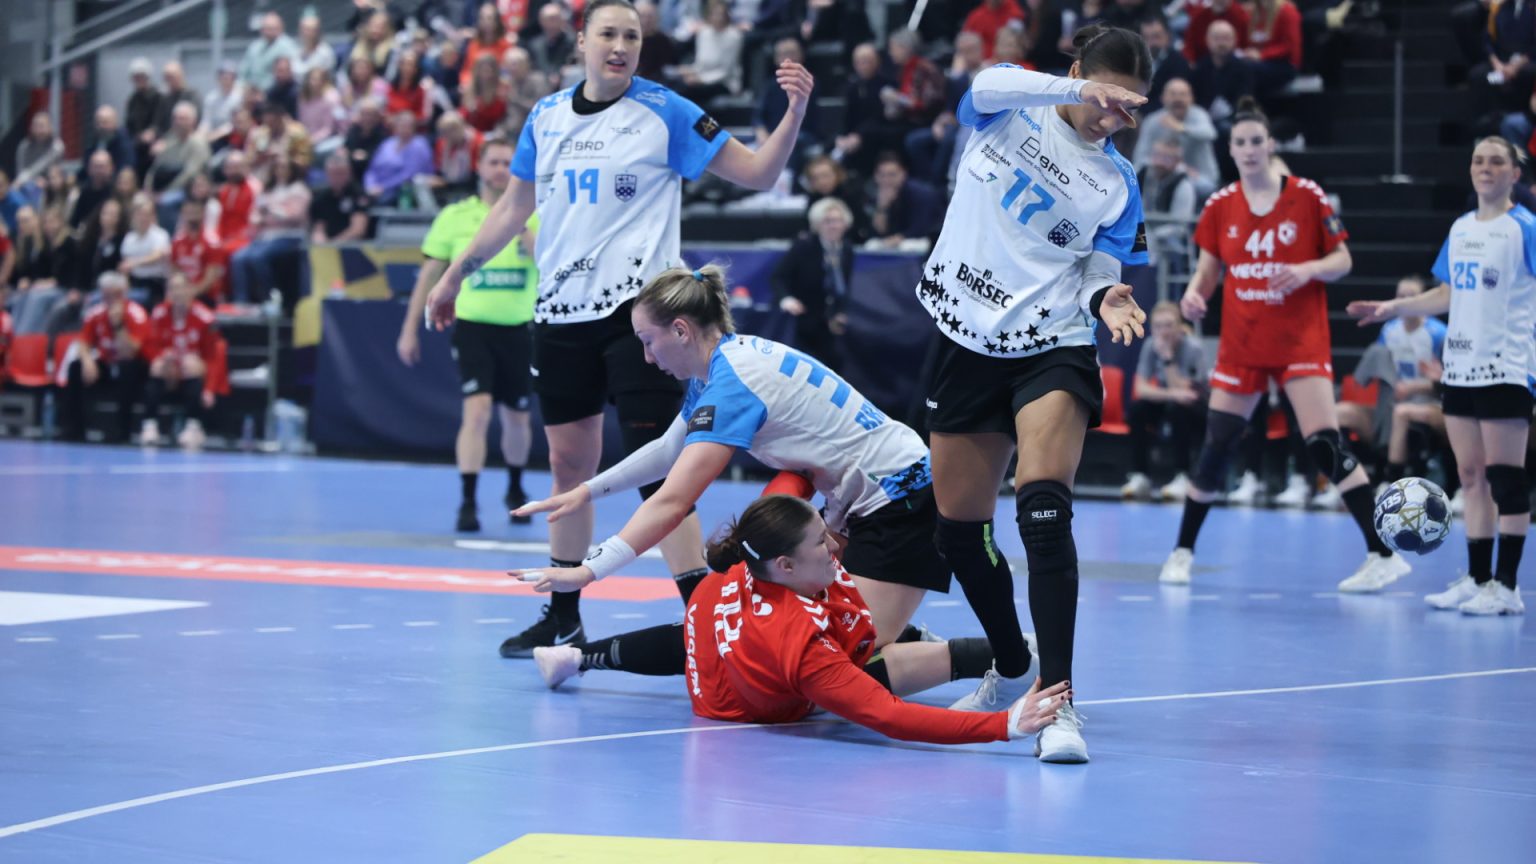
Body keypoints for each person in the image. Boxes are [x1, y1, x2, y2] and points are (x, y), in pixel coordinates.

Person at [423, 0, 816, 656]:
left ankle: (704, 622)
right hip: (560, 311)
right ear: (581, 42)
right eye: (607, 33)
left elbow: (760, 173)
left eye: (631, 36)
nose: (620, 45)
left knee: (659, 471)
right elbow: (514, 207)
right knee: (568, 464)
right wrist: (454, 275)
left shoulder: (667, 111)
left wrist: (795, 112)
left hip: (642, 317)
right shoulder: (546, 117)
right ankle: (563, 616)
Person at [517, 267, 1037, 693]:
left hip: (899, 500)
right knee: (778, 632)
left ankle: (1007, 660)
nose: (647, 358)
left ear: (680, 330)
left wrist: (590, 570)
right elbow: (667, 451)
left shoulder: (734, 384)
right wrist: (585, 491)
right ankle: (918, 634)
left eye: (648, 342)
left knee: (833, 666)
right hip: (862, 501)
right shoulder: (726, 361)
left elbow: (673, 500)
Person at [912, 24, 1153, 764]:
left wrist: (1105, 295)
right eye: (1109, 99)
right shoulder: (1010, 108)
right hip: (965, 338)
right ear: (1077, 74)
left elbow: (1099, 266)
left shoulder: (1117, 183)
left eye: (1131, 108)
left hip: (1052, 343)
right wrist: (1071, 90)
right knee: (959, 532)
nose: (1116, 118)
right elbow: (981, 84)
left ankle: (1058, 703)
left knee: (1044, 514)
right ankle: (1013, 664)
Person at [543, 488, 1072, 748]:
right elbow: (887, 715)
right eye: (821, 541)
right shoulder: (800, 645)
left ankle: (576, 657)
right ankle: (994, 658)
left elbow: (781, 500)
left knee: (691, 635)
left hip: (723, 638)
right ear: (786, 564)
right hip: (745, 700)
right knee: (884, 663)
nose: (835, 547)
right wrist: (1003, 725)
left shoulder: (750, 564)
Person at [1161, 97, 1410, 591]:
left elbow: (1343, 261)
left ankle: (1383, 554)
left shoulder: (1306, 196)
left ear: (1270, 145)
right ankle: (1182, 552)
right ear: (1231, 149)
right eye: (1241, 142)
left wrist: (1306, 270)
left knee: (1324, 445)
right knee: (1217, 444)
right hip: (1243, 343)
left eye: (1258, 141)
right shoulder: (1220, 205)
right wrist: (1193, 295)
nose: (1250, 149)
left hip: (1299, 342)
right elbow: (1208, 271)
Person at [1348, 137, 1535, 616]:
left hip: (1506, 367)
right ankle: (1478, 579)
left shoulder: (1525, 228)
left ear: (1515, 174)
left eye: (1497, 161)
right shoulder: (1461, 228)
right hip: (1461, 368)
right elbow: (1445, 294)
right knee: (1470, 476)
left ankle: (1507, 587)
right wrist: (1391, 308)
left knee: (1505, 479)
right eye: (1478, 160)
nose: (1486, 168)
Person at [398, 138, 538, 532]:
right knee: (476, 411)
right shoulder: (455, 216)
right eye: (493, 162)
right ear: (479, 166)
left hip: (520, 328)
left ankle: (515, 487)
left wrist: (521, 225)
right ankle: (468, 501)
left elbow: (550, 262)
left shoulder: (536, 214)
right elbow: (429, 275)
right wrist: (410, 329)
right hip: (474, 327)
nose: (500, 169)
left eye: (507, 163)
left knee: (517, 416)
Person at [1121, 301, 1208, 500]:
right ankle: (1141, 475)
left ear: (1179, 326)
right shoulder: (1151, 345)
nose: (1163, 332)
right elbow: (1141, 389)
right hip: (1170, 399)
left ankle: (1183, 475)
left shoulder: (1193, 348)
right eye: (1158, 326)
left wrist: (1168, 358)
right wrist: (1172, 394)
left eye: (1168, 325)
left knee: (1179, 410)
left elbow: (1188, 393)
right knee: (1137, 410)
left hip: (1197, 408)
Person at [59, 272, 150, 442]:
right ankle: (74, 430)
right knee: (76, 367)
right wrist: (88, 361)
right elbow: (83, 342)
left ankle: (122, 432)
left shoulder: (136, 313)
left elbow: (130, 351)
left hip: (133, 364)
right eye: (106, 295)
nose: (109, 300)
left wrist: (118, 325)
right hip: (106, 362)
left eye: (114, 295)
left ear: (123, 294)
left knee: (127, 369)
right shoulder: (96, 313)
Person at [770, 197, 855, 369]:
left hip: (827, 319)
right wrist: (787, 299)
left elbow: (842, 286)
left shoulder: (846, 249)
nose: (833, 226)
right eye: (827, 221)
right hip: (803, 317)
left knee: (839, 359)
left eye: (838, 221)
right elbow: (778, 277)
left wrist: (839, 311)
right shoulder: (804, 246)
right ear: (817, 225)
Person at [141, 273, 221, 449]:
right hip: (169, 370)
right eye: (172, 288)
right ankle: (150, 424)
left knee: (191, 364)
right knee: (157, 366)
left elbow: (213, 356)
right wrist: (162, 357)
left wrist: (209, 389)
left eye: (181, 288)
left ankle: (194, 425)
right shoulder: (159, 313)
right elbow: (149, 345)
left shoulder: (205, 317)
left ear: (190, 290)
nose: (177, 293)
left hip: (193, 371)